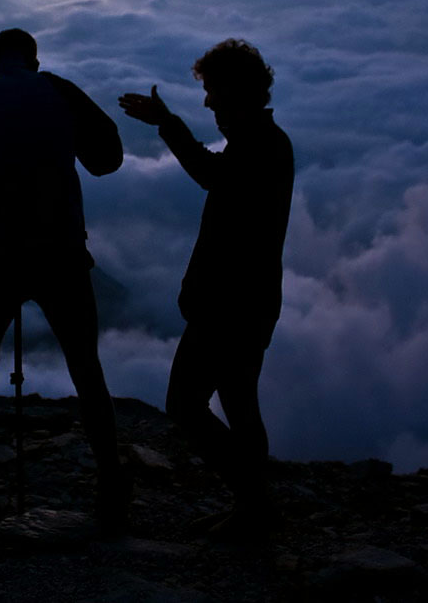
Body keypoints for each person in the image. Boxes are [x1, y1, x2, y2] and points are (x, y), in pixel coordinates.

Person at [0, 28, 130, 522]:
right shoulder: (59, 91)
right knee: (86, 365)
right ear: (35, 62)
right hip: (60, 254)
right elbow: (109, 160)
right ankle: (111, 481)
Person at [118, 38, 293, 531]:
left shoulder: (259, 146)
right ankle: (254, 509)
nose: (208, 102)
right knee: (240, 403)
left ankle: (253, 502)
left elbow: (208, 175)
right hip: (250, 303)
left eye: (214, 91)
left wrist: (167, 125)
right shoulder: (262, 141)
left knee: (186, 405)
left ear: (237, 90)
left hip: (229, 306)